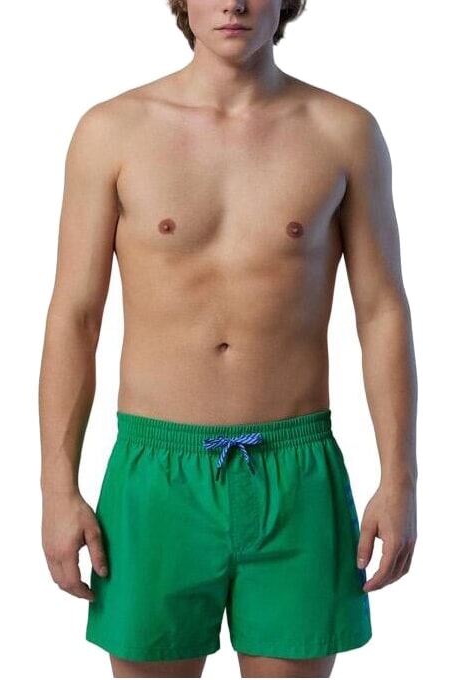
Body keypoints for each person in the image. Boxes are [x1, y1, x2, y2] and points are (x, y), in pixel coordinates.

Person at [39, 1, 418, 677]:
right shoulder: (113, 131)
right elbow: (75, 315)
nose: (234, 2)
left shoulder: (342, 132)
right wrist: (56, 489)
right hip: (156, 475)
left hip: (296, 473)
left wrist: (401, 480)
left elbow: (382, 311)